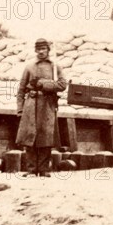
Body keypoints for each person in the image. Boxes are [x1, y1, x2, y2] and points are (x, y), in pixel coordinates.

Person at [16, 38, 67, 177]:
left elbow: (62, 85)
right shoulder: (29, 67)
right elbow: (21, 89)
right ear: (35, 50)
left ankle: (44, 169)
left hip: (48, 104)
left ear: (48, 50)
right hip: (31, 104)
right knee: (30, 137)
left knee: (46, 137)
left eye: (43, 49)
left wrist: (42, 84)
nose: (41, 52)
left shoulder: (55, 67)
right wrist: (20, 109)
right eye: (38, 49)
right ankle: (31, 169)